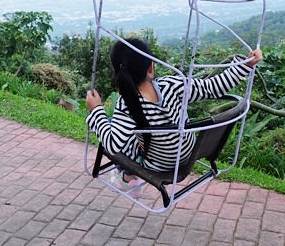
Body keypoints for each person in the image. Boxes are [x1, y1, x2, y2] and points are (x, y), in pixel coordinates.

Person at [86, 37, 263, 193]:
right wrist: (245, 65)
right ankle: (128, 173)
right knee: (132, 131)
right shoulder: (172, 84)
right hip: (188, 154)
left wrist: (96, 110)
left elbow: (113, 145)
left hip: (159, 165)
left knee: (111, 127)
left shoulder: (125, 105)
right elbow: (213, 87)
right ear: (150, 68)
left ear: (118, 73)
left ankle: (126, 177)